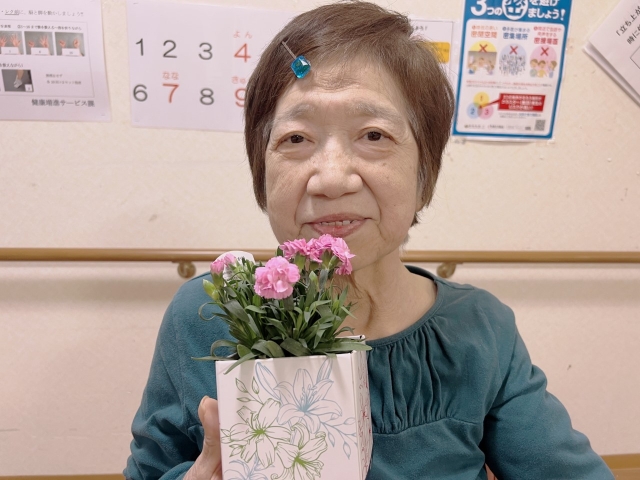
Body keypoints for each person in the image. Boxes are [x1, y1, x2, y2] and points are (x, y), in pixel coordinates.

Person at [124, 2, 614, 479]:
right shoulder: (206, 315)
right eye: (296, 138)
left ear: (424, 173)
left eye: (374, 135)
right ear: (261, 171)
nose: (332, 178)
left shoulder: (481, 330)